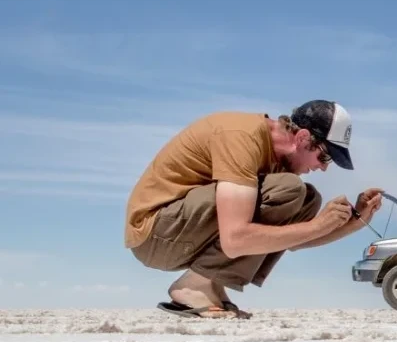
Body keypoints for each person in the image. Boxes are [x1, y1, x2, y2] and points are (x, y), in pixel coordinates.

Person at [125, 99, 383, 319]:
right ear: (303, 138)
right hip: (156, 234)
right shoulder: (242, 137)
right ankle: (194, 286)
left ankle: (210, 284)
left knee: (307, 199)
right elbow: (236, 239)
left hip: (180, 232)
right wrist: (317, 225)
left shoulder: (277, 161)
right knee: (290, 189)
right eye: (325, 157)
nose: (324, 168)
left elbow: (291, 240)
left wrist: (354, 223)